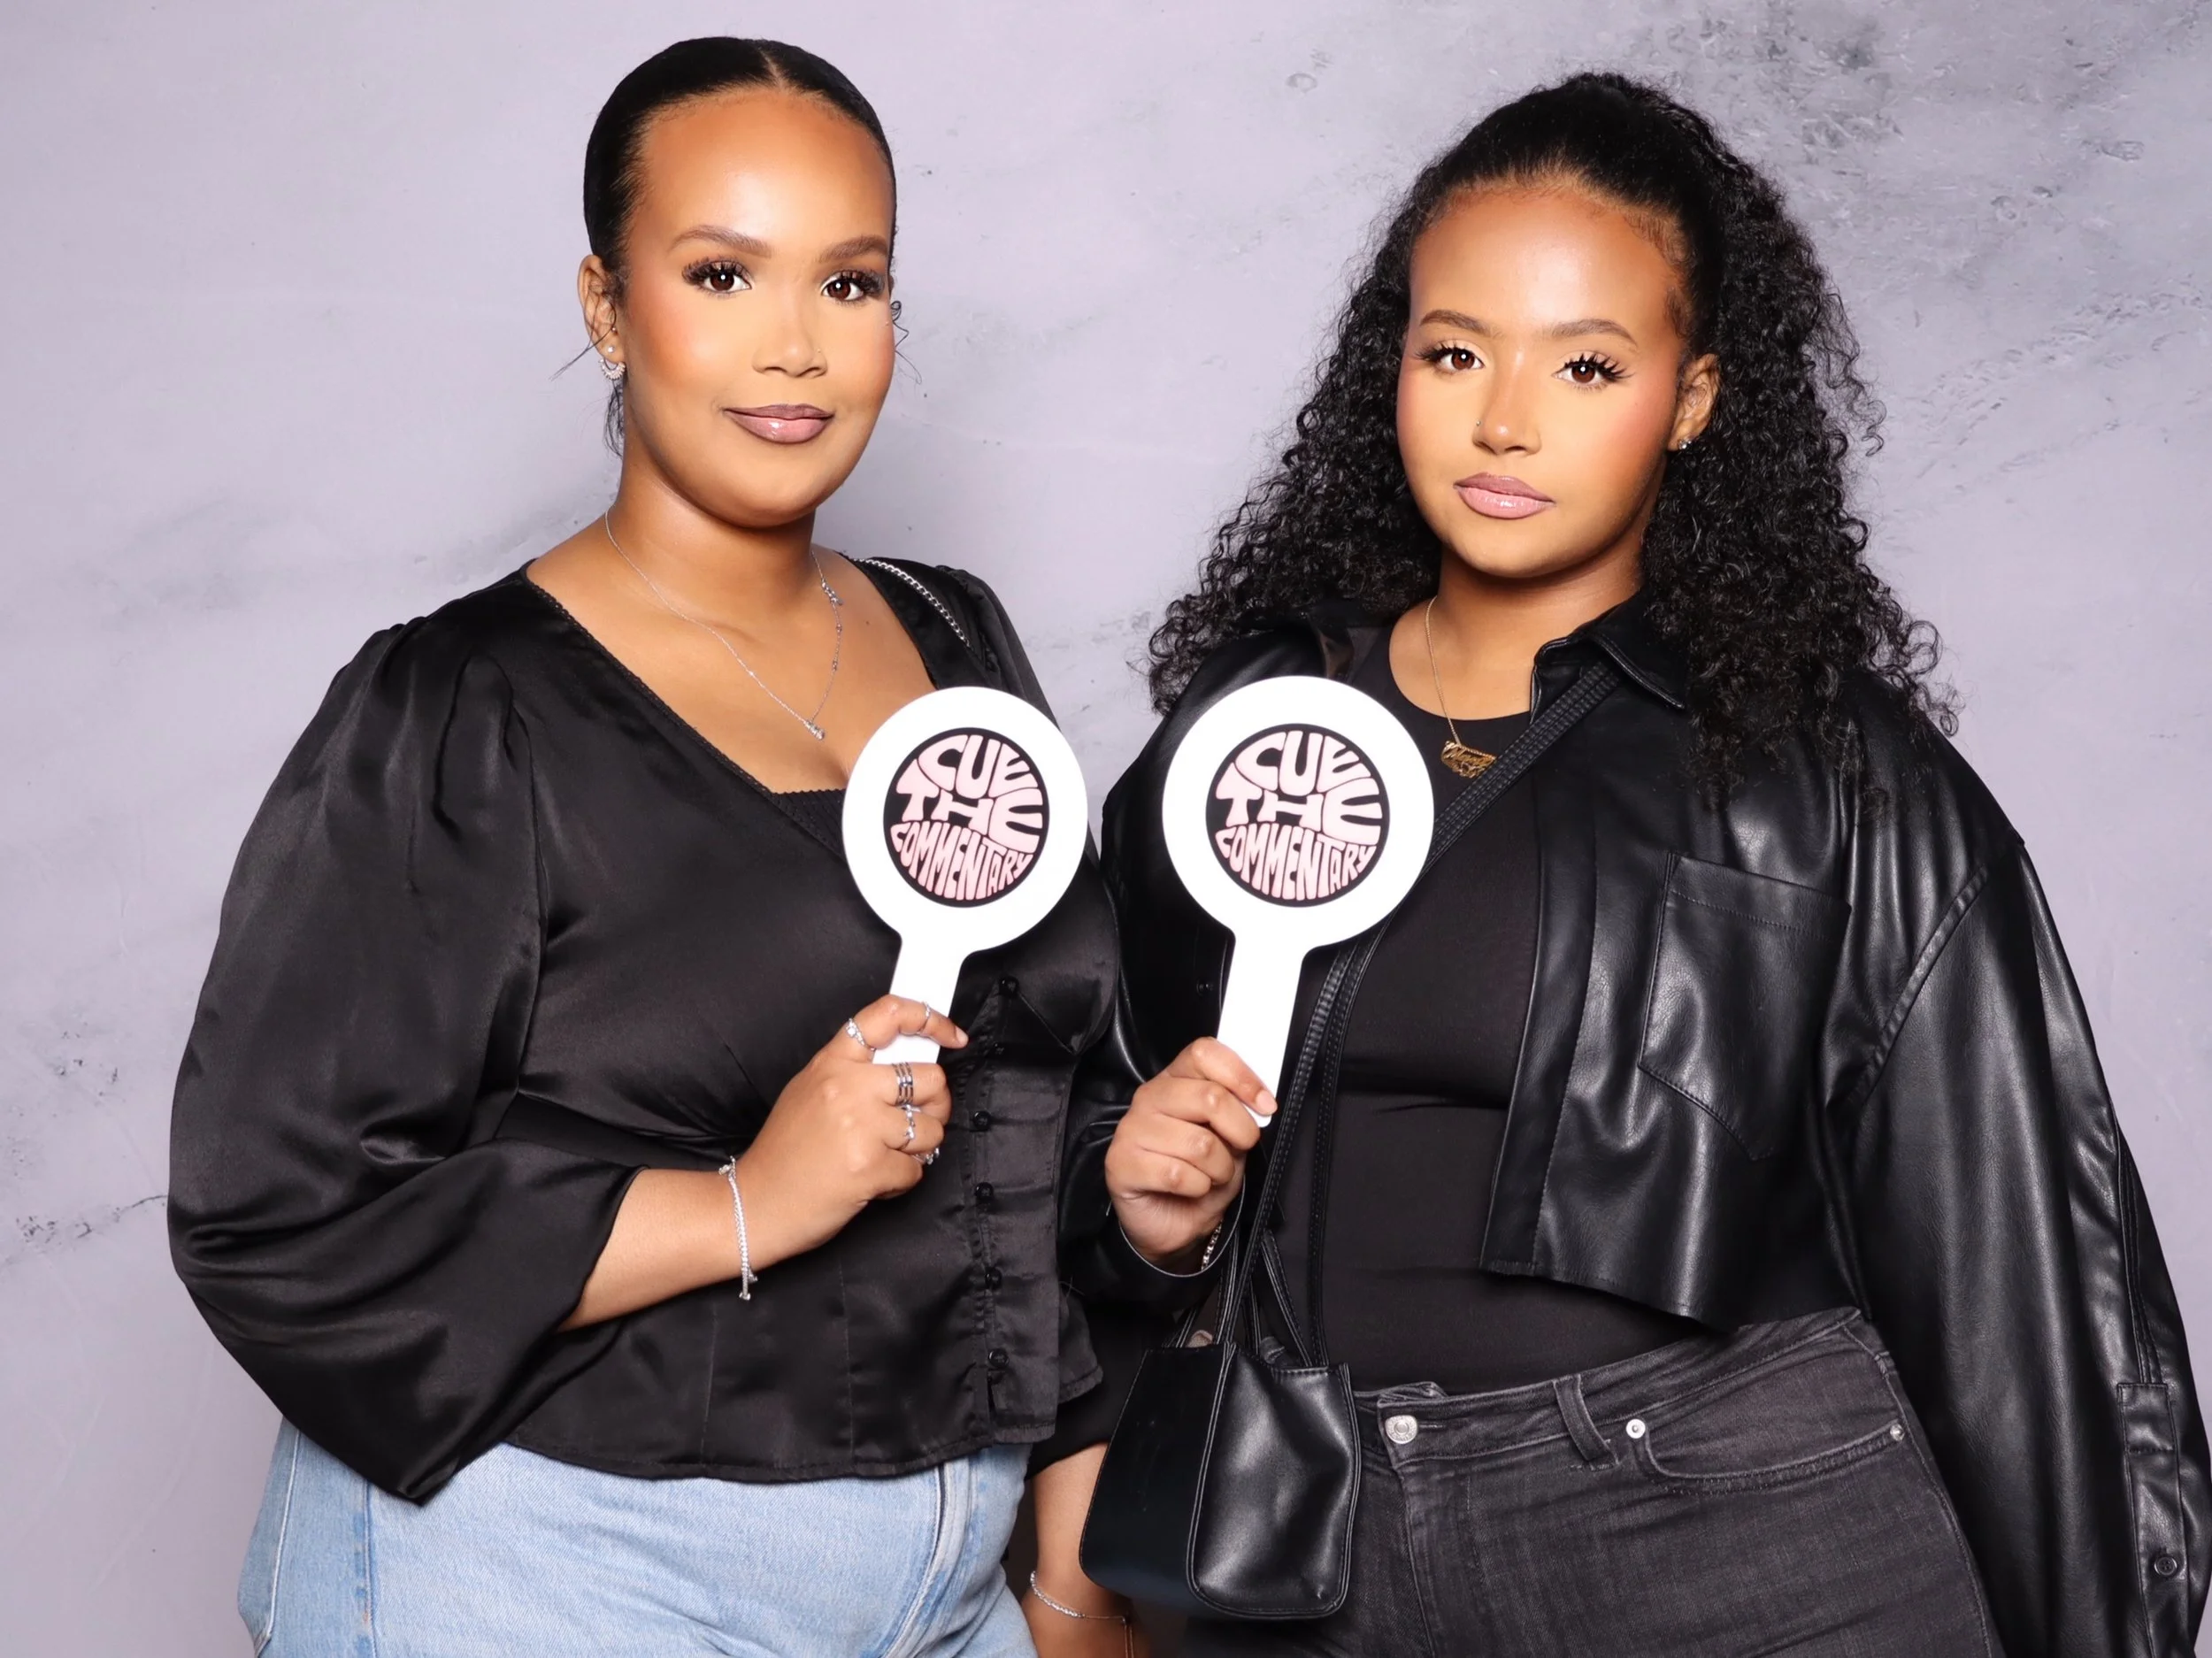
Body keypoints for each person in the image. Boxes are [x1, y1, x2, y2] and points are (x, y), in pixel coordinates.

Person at [1063, 73, 2207, 1657]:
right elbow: (1068, 1111)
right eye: (1453, 351)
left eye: (1586, 364)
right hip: (1308, 1547)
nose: (1505, 420)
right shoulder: (1255, 719)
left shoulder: (1824, 769)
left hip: (1722, 1528)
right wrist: (1135, 1209)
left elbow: (2029, 1274)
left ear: (1692, 397)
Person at [170, 37, 1129, 1656]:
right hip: (550, 1566)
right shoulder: (461, 705)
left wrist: (1073, 1570)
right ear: (607, 306)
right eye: (721, 272)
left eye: (850, 281)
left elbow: (1041, 1118)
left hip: (947, 1580)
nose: (794, 344)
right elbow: (274, 1214)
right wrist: (743, 1203)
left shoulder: (960, 642)